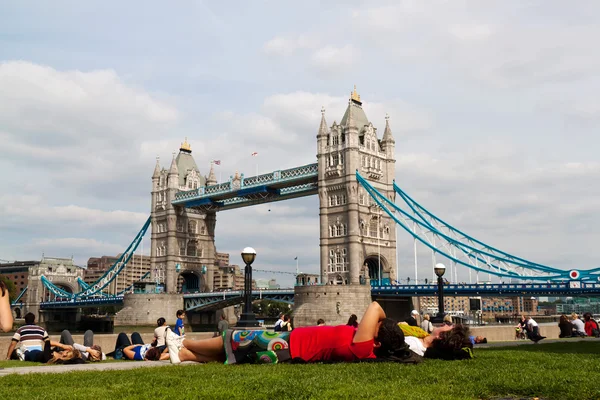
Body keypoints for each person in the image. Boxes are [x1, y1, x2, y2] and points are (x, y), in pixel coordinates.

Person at [164, 301, 473, 365]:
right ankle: (185, 354)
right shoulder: (368, 351)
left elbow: (376, 306)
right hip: (281, 356)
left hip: (285, 342)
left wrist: (386, 322)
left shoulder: (361, 342)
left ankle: (183, 342)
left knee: (232, 338)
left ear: (377, 337)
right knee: (225, 357)